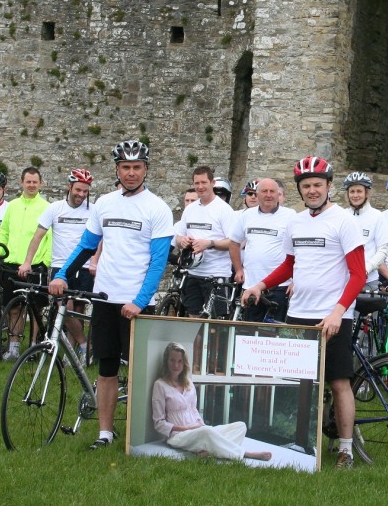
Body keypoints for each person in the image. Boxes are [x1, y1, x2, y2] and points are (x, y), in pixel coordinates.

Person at [241, 156, 366, 469]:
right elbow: (288, 265)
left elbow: (359, 274)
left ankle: (345, 450)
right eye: (306, 185)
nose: (312, 190)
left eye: (317, 185)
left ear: (329, 186)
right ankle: (304, 444)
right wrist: (260, 284)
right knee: (301, 382)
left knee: (338, 383)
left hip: (333, 315)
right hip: (299, 313)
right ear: (299, 189)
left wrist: (338, 312)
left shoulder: (343, 221)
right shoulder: (294, 222)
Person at [51, 140, 174, 450]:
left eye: (137, 167)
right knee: (106, 368)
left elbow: (158, 261)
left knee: (142, 373)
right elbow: (87, 246)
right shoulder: (105, 203)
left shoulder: (157, 208)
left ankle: (144, 435)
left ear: (146, 169)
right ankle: (105, 433)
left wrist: (140, 301)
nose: (131, 173)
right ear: (117, 170)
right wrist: (62, 273)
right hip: (104, 299)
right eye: (125, 167)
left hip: (136, 303)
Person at [21, 169, 96, 361]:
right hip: (60, 266)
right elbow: (37, 237)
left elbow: (102, 239)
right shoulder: (55, 208)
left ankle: (71, 354)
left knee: (78, 309)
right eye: (78, 190)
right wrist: (27, 262)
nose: (81, 194)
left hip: (85, 266)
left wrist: (95, 261)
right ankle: (84, 344)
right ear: (69, 187)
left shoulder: (93, 210)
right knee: (64, 306)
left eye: (85, 191)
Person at [152, 342, 272, 461]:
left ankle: (209, 451)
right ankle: (245, 453)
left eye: (180, 361)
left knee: (240, 426)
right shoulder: (160, 385)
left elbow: (193, 409)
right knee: (207, 432)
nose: (176, 365)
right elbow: (159, 423)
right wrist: (188, 428)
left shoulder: (188, 383)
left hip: (198, 430)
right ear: (166, 361)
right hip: (178, 436)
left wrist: (200, 424)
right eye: (172, 360)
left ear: (184, 363)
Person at [0, 167, 51, 360]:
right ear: (21, 183)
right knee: (15, 308)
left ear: (40, 184)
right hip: (12, 263)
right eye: (28, 181)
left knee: (36, 308)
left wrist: (45, 261)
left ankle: (35, 346)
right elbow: (4, 231)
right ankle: (13, 347)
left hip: (36, 264)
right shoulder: (12, 206)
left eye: (34, 182)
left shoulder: (46, 207)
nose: (31, 185)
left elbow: (51, 237)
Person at [228, 178, 296, 322]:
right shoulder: (247, 215)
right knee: (249, 331)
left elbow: (300, 251)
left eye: (272, 191)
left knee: (276, 334)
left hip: (280, 287)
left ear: (279, 195)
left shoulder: (291, 216)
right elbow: (234, 242)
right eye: (264, 191)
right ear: (257, 195)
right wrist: (238, 269)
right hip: (251, 285)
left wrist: (296, 280)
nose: (268, 195)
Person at [175, 167, 236, 317]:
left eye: (204, 182)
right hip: (192, 273)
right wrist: (182, 241)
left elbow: (234, 243)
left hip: (216, 275)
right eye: (197, 183)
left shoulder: (224, 210)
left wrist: (210, 243)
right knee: (193, 317)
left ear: (212, 183)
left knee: (216, 322)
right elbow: (177, 237)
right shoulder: (190, 210)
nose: (200, 187)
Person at [343, 171, 388, 292]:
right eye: (352, 192)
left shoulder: (377, 216)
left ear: (366, 193)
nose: (355, 195)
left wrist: (366, 268)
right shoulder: (342, 215)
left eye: (359, 191)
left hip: (369, 280)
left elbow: (383, 250)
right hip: (344, 280)